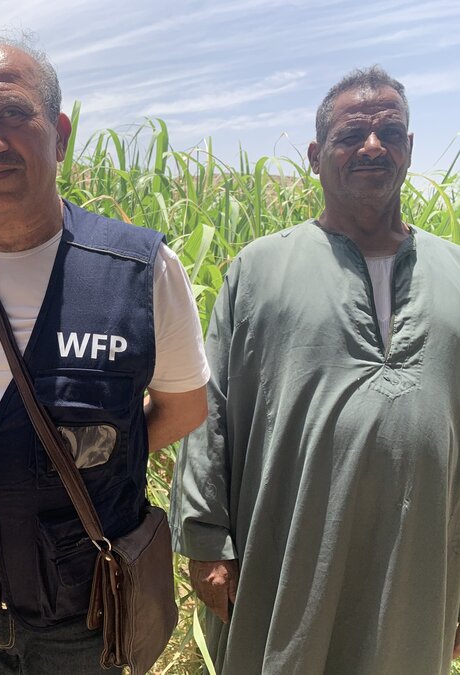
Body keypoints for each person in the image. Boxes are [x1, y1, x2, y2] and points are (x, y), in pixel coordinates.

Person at [0, 38, 210, 673]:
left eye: (12, 115)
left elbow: (183, 406)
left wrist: (91, 465)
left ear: (58, 134)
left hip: (82, 616)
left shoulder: (137, 269)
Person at [170, 66, 460, 674]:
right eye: (352, 133)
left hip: (421, 564)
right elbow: (208, 407)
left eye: (391, 132)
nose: (373, 146)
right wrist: (205, 545)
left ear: (409, 148)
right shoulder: (260, 269)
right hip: (290, 552)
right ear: (315, 154)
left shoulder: (455, 272)